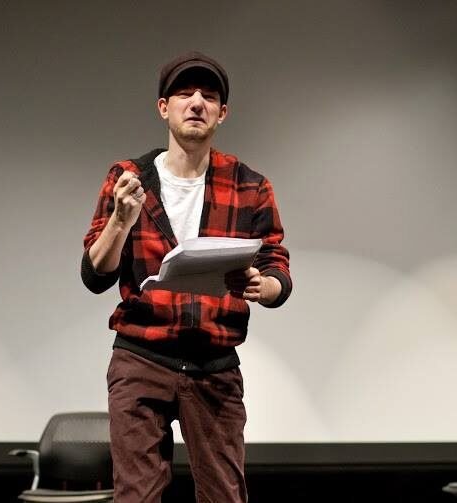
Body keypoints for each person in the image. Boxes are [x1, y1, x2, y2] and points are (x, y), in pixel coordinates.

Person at [81, 51, 292, 503]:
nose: (196, 102)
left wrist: (264, 285)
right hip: (142, 357)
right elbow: (95, 274)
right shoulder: (129, 179)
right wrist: (121, 219)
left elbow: (277, 266)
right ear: (164, 107)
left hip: (213, 364)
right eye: (184, 94)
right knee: (136, 497)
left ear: (221, 113)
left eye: (208, 96)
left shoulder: (249, 185)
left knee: (224, 496)